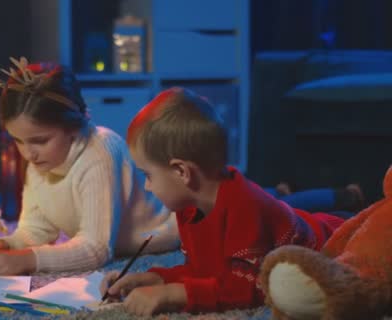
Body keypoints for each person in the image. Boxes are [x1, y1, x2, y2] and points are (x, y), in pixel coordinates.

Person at [99, 87, 345, 316]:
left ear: (182, 172)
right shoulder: (189, 207)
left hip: (336, 240)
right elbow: (207, 272)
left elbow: (251, 288)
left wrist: (173, 294)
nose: (147, 186)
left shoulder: (244, 206)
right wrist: (155, 278)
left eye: (148, 175)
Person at [0, 59, 179, 275]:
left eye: (40, 141)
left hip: (160, 235)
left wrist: (28, 260)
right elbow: (36, 229)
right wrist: (9, 246)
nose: (28, 153)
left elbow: (96, 248)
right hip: (119, 245)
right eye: (18, 141)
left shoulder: (100, 152)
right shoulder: (41, 160)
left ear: (73, 127)